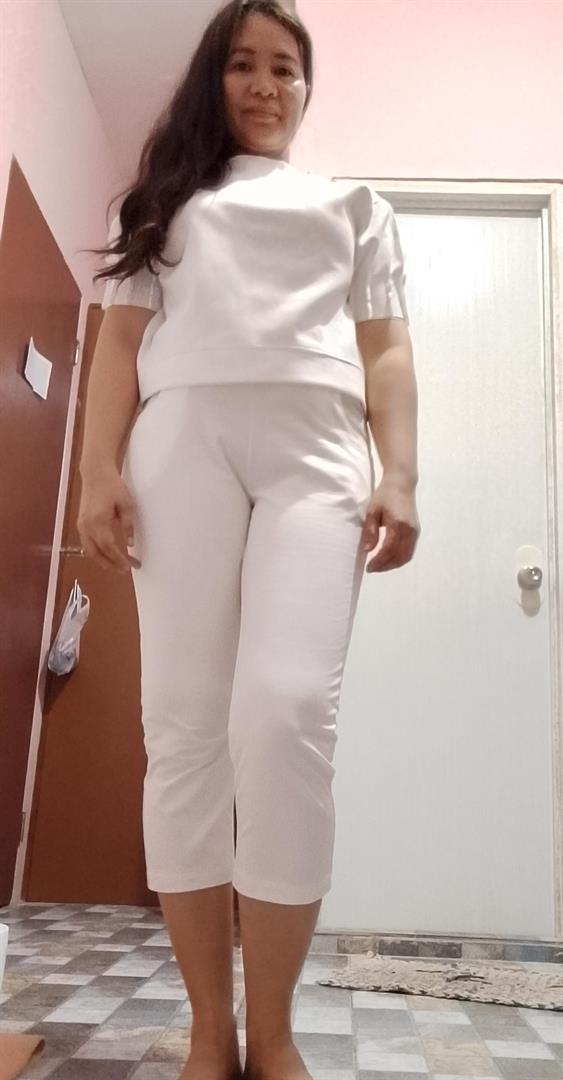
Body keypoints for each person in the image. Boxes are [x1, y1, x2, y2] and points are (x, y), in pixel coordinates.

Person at [78, 1, 420, 1077]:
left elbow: (387, 351)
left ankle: (271, 1033)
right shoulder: (161, 205)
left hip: (317, 451)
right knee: (183, 726)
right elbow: (118, 345)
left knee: (283, 717)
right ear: (210, 80)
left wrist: (400, 472)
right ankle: (208, 1032)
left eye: (286, 67)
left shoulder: (355, 207)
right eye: (242, 65)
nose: (266, 85)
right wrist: (95, 472)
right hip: (180, 443)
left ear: (307, 89)